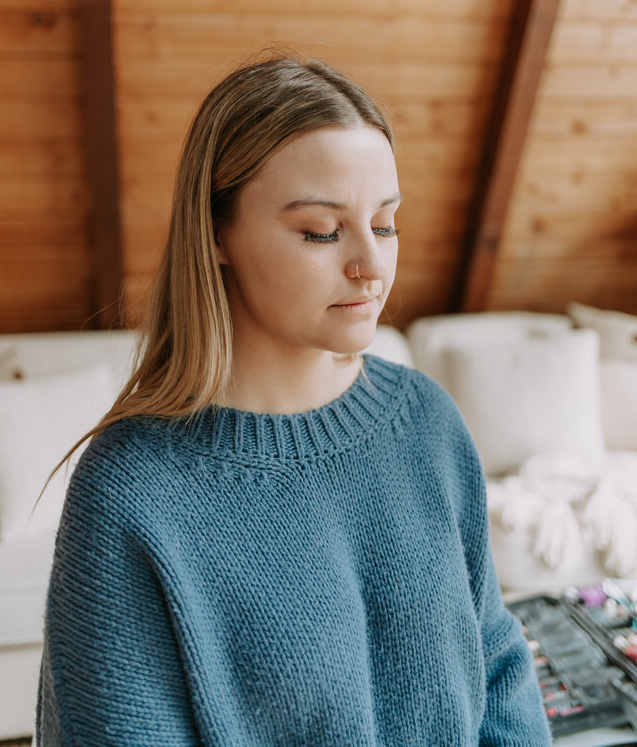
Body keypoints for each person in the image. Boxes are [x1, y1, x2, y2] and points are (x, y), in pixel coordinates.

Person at [35, 54, 552, 746]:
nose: (371, 264)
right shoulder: (132, 491)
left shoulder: (428, 421)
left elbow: (497, 666)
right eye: (322, 231)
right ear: (217, 234)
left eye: (386, 223)